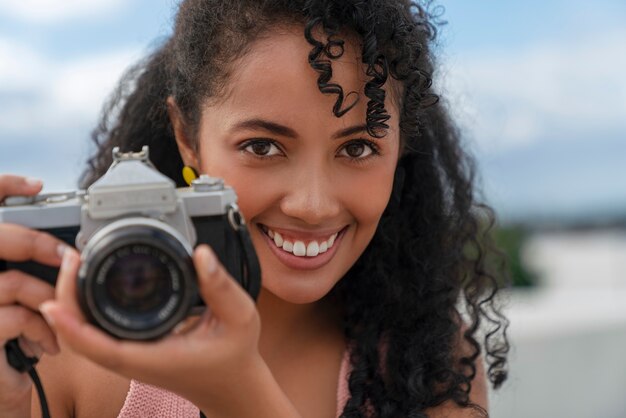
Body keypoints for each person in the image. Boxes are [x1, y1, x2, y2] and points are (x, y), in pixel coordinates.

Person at [0, 0, 510, 417]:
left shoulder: (429, 364)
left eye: (357, 149)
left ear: (400, 149)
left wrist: (239, 395)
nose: (312, 206)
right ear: (187, 138)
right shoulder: (66, 349)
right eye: (262, 147)